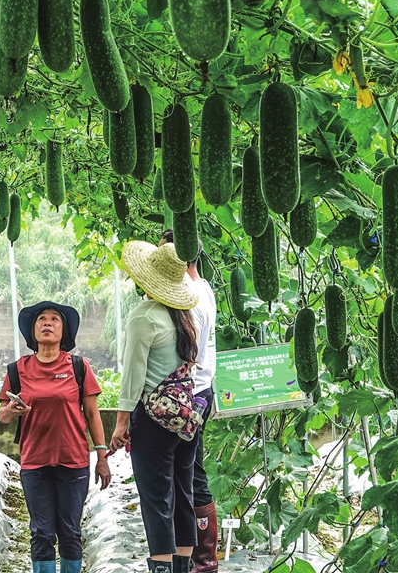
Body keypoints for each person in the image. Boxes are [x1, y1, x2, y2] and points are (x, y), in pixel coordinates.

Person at [0, 301, 111, 573]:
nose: (47, 323)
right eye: (41, 319)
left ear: (65, 330)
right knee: (41, 532)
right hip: (35, 463)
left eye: (54, 319)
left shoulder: (79, 367)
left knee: (70, 531)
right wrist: (12, 409)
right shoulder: (17, 369)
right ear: (32, 330)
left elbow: (93, 415)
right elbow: (2, 414)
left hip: (73, 462)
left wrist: (102, 457)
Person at [110, 241, 201, 573]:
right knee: (183, 494)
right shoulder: (185, 317)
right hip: (188, 420)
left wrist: (121, 423)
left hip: (154, 420)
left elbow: (133, 376)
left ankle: (161, 567)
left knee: (156, 499)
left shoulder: (144, 317)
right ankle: (183, 567)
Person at [160, 231, 219, 573]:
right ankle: (200, 558)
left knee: (189, 473)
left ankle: (201, 559)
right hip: (202, 390)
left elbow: (188, 349)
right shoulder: (206, 288)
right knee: (191, 468)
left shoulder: (188, 295)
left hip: (188, 393)